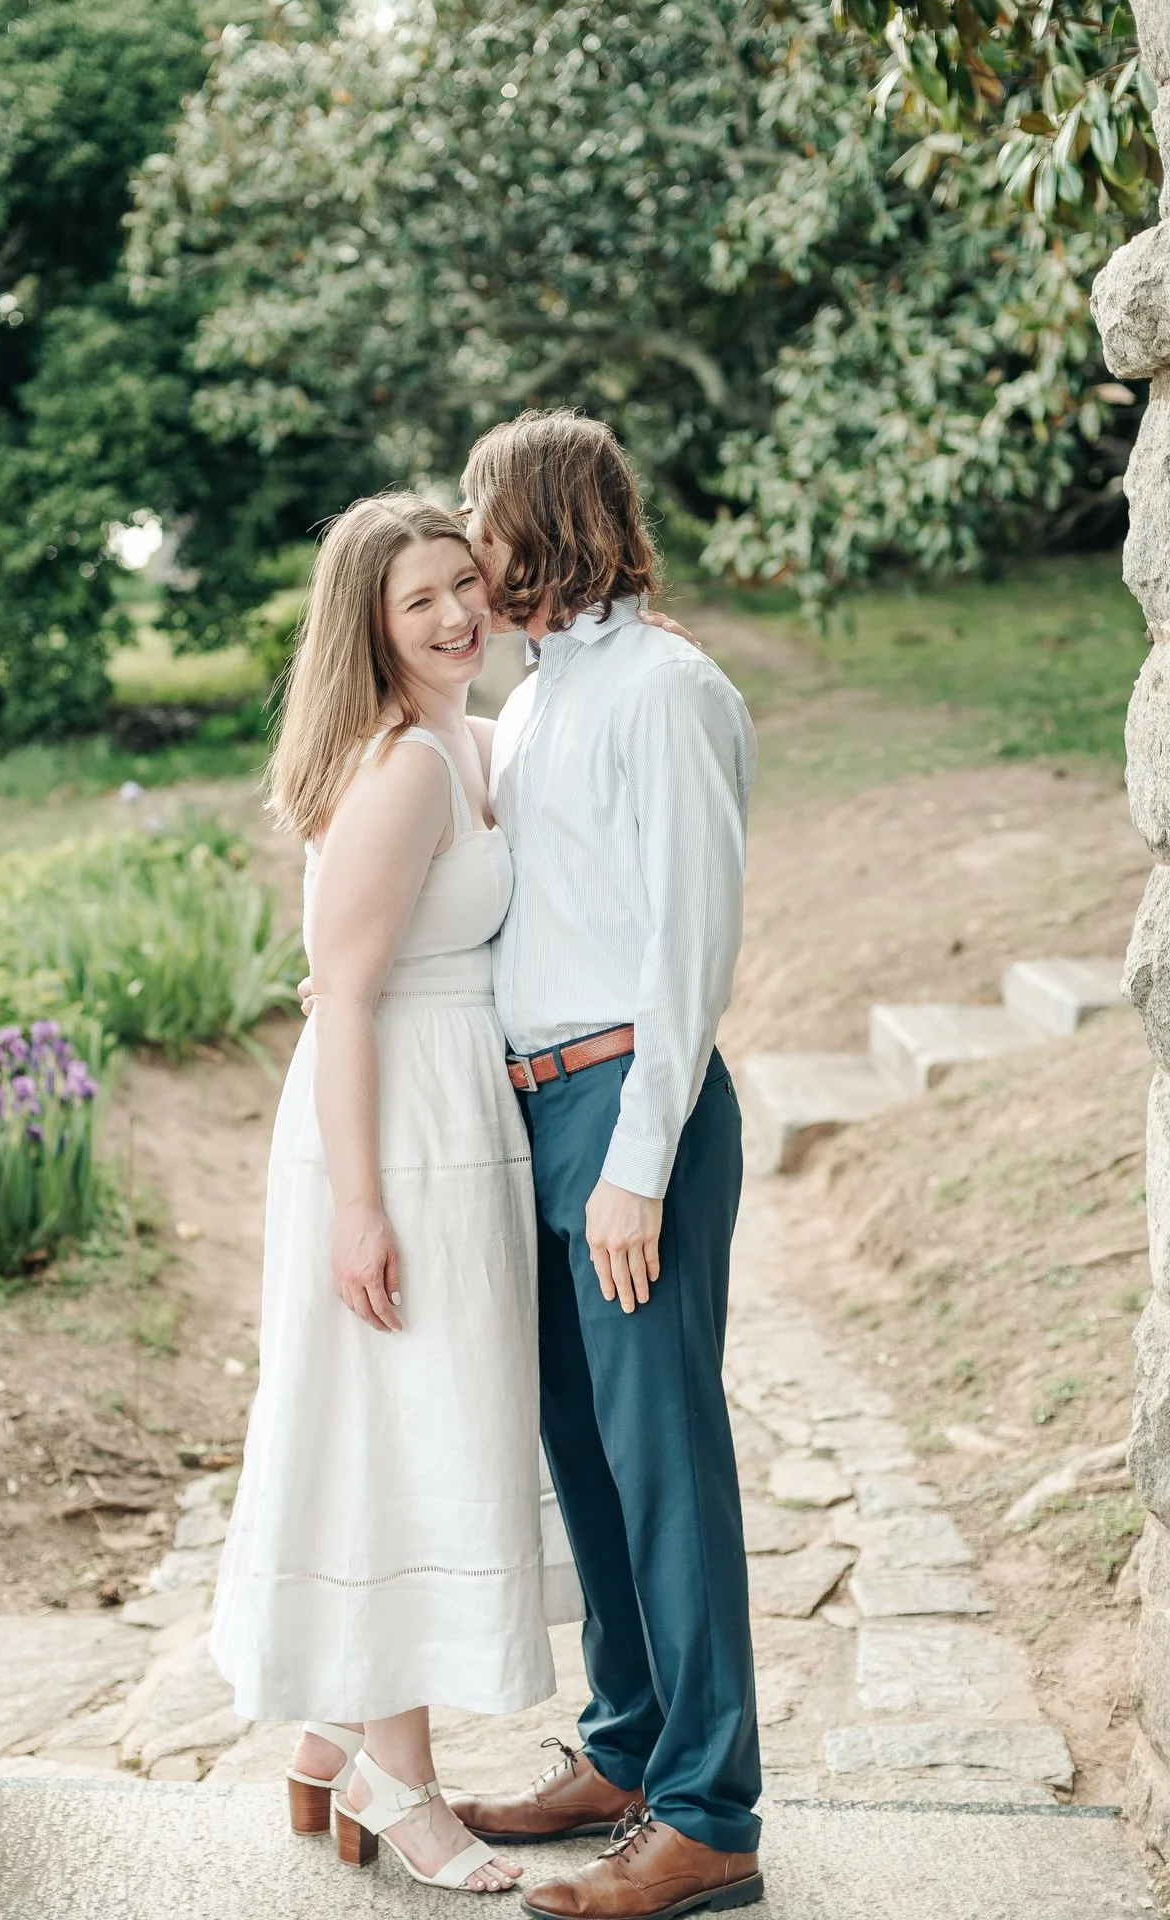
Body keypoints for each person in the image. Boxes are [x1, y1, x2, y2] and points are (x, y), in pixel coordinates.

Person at [209, 493, 553, 1896]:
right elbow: (338, 995)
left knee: (412, 1421)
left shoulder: (473, 742)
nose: (458, 615)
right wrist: (360, 1208)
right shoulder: (405, 765)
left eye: (467, 585)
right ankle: (400, 1782)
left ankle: (329, 1740)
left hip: (454, 1107)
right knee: (397, 1434)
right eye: (422, 601)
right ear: (372, 623)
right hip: (390, 1122)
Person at [447, 411, 765, 1920]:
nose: (468, 542)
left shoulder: (667, 691)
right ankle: (627, 1749)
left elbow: (688, 945)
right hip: (535, 1114)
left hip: (637, 1109)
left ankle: (709, 1815)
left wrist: (638, 1161)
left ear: (552, 520)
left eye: (482, 512)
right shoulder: (532, 703)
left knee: (663, 1465)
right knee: (582, 1457)